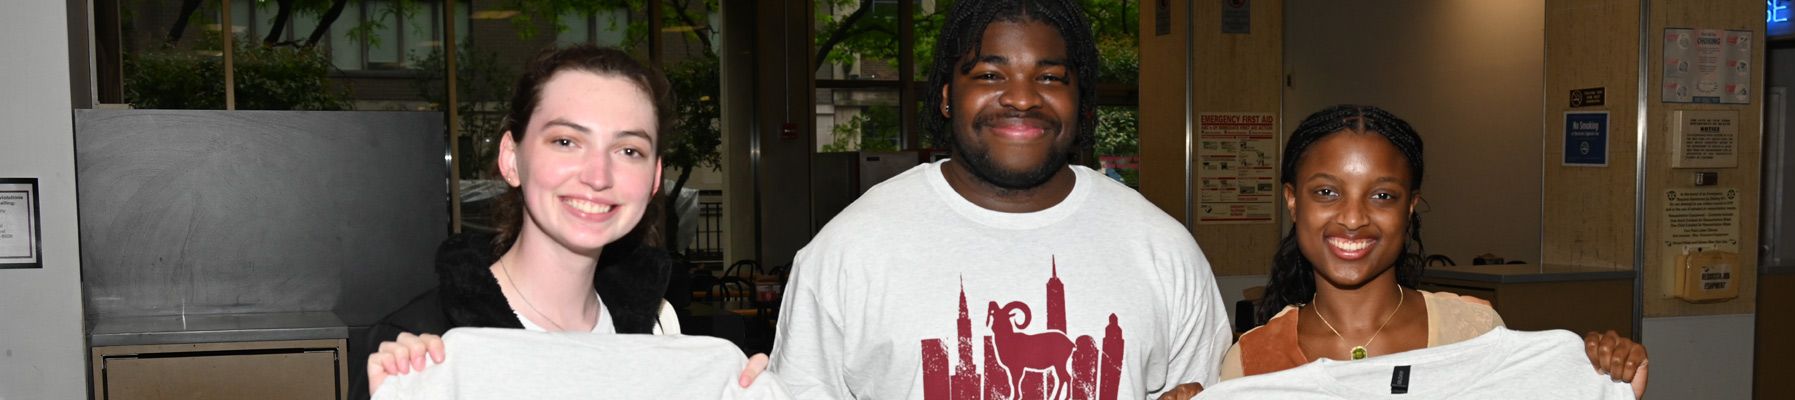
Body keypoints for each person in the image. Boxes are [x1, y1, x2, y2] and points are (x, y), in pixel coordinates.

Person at [767, 0, 1229, 399]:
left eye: (1050, 77)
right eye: (990, 73)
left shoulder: (1162, 250)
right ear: (948, 96)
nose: (1022, 98)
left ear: (1080, 100)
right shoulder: (851, 248)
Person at [359, 46, 764, 398]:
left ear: (655, 178)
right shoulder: (425, 345)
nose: (598, 175)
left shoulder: (660, 331)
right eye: (566, 142)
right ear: (511, 159)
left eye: (628, 150)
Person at [1220, 105, 1648, 396]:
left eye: (1383, 196)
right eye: (1327, 192)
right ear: (1293, 201)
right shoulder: (1254, 361)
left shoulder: (1475, 330)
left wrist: (1600, 372)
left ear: (1410, 205)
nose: (1352, 218)